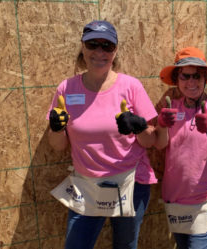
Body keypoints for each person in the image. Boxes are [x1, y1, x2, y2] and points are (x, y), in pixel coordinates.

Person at [47, 20, 158, 249]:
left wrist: (139, 126)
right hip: (87, 186)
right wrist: (57, 128)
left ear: (115, 50)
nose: (99, 52)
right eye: (93, 44)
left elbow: (151, 141)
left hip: (130, 182)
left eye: (107, 46)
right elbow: (58, 146)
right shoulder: (66, 90)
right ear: (83, 47)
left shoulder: (131, 86)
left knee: (125, 246)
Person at [154, 47, 207, 249]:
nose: (191, 82)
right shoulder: (171, 107)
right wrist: (162, 125)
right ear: (177, 79)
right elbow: (160, 144)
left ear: (206, 78)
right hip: (176, 197)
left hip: (206, 199)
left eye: (197, 76)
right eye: (185, 76)